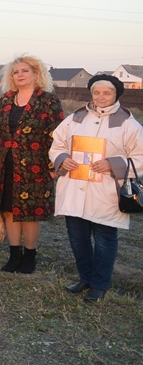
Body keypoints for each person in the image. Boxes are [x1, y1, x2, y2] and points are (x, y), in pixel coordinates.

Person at [50, 74, 143, 301]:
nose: (101, 97)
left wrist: (113, 164)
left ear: (116, 95)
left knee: (104, 239)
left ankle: (99, 284)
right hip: (75, 186)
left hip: (106, 191)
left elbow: (140, 157)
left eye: (107, 93)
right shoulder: (75, 118)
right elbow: (57, 144)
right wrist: (62, 158)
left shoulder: (128, 124)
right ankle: (85, 278)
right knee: (77, 238)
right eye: (96, 92)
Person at [0, 55, 63, 274]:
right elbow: (0, 134)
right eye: (16, 72)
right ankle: (14, 255)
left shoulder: (48, 101)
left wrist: (53, 167)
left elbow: (58, 135)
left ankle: (29, 256)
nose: (19, 75)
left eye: (24, 71)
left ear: (36, 74)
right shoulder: (6, 100)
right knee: (9, 210)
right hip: (7, 164)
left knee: (30, 213)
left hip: (35, 166)